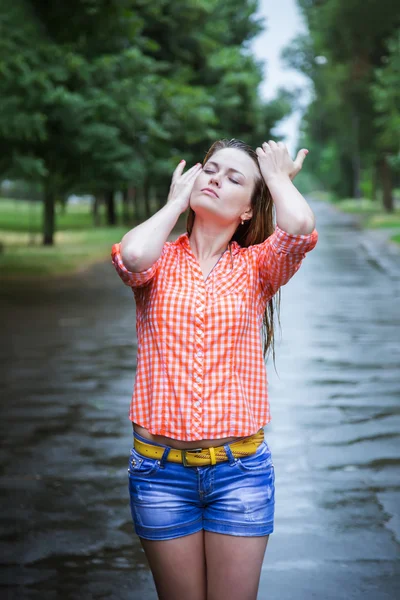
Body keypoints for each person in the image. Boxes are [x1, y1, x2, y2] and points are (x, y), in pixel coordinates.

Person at [111, 138, 318, 600]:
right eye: (210, 169)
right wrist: (172, 205)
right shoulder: (160, 260)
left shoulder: (258, 267)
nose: (216, 179)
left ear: (247, 210)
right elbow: (131, 257)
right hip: (159, 474)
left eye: (234, 177)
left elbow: (300, 227)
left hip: (239, 473)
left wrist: (279, 179)